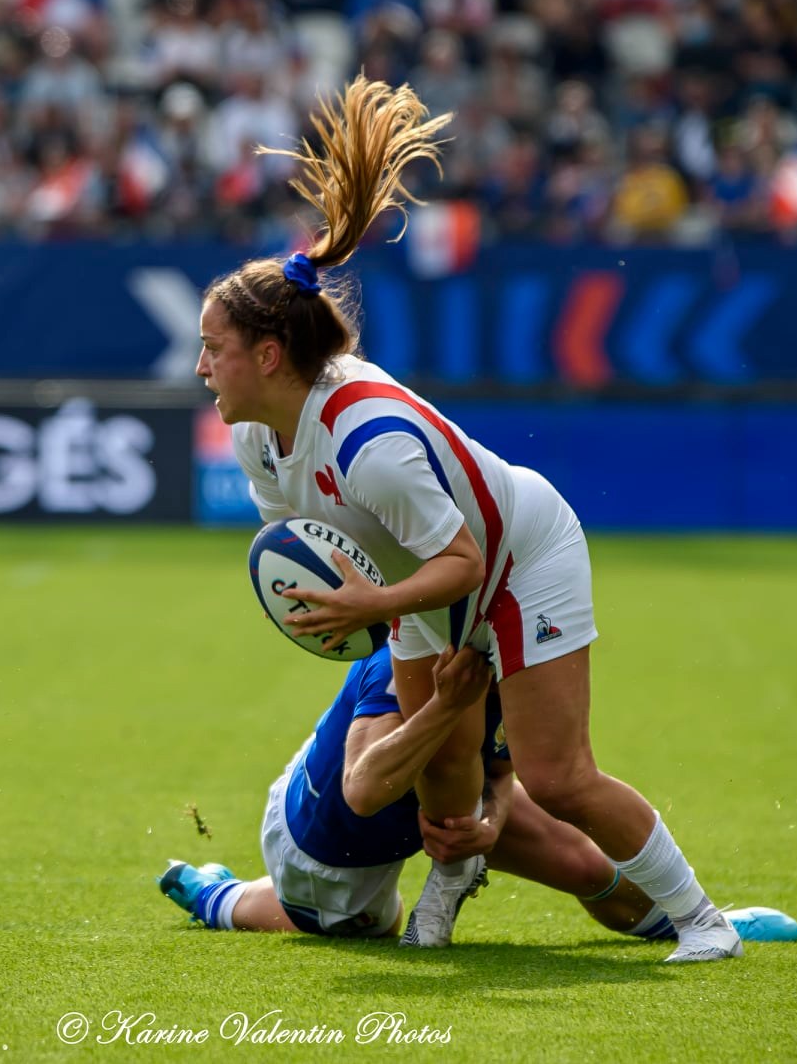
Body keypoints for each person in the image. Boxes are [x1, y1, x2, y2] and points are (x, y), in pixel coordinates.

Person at [194, 76, 741, 962]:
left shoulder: (366, 438)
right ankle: (449, 889)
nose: (200, 367)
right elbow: (314, 552)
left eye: (213, 349)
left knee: (558, 777)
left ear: (267, 353)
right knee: (444, 787)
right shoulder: (261, 442)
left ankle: (703, 922)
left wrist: (369, 609)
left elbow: (460, 556)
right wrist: (351, 610)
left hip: (516, 555)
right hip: (425, 585)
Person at [156, 643, 797, 946]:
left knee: (583, 862)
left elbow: (499, 767)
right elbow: (362, 790)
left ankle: (699, 921)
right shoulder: (404, 658)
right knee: (361, 925)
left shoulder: (518, 651)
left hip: (445, 806)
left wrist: (490, 824)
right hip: (328, 844)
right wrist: (445, 705)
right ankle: (219, 896)